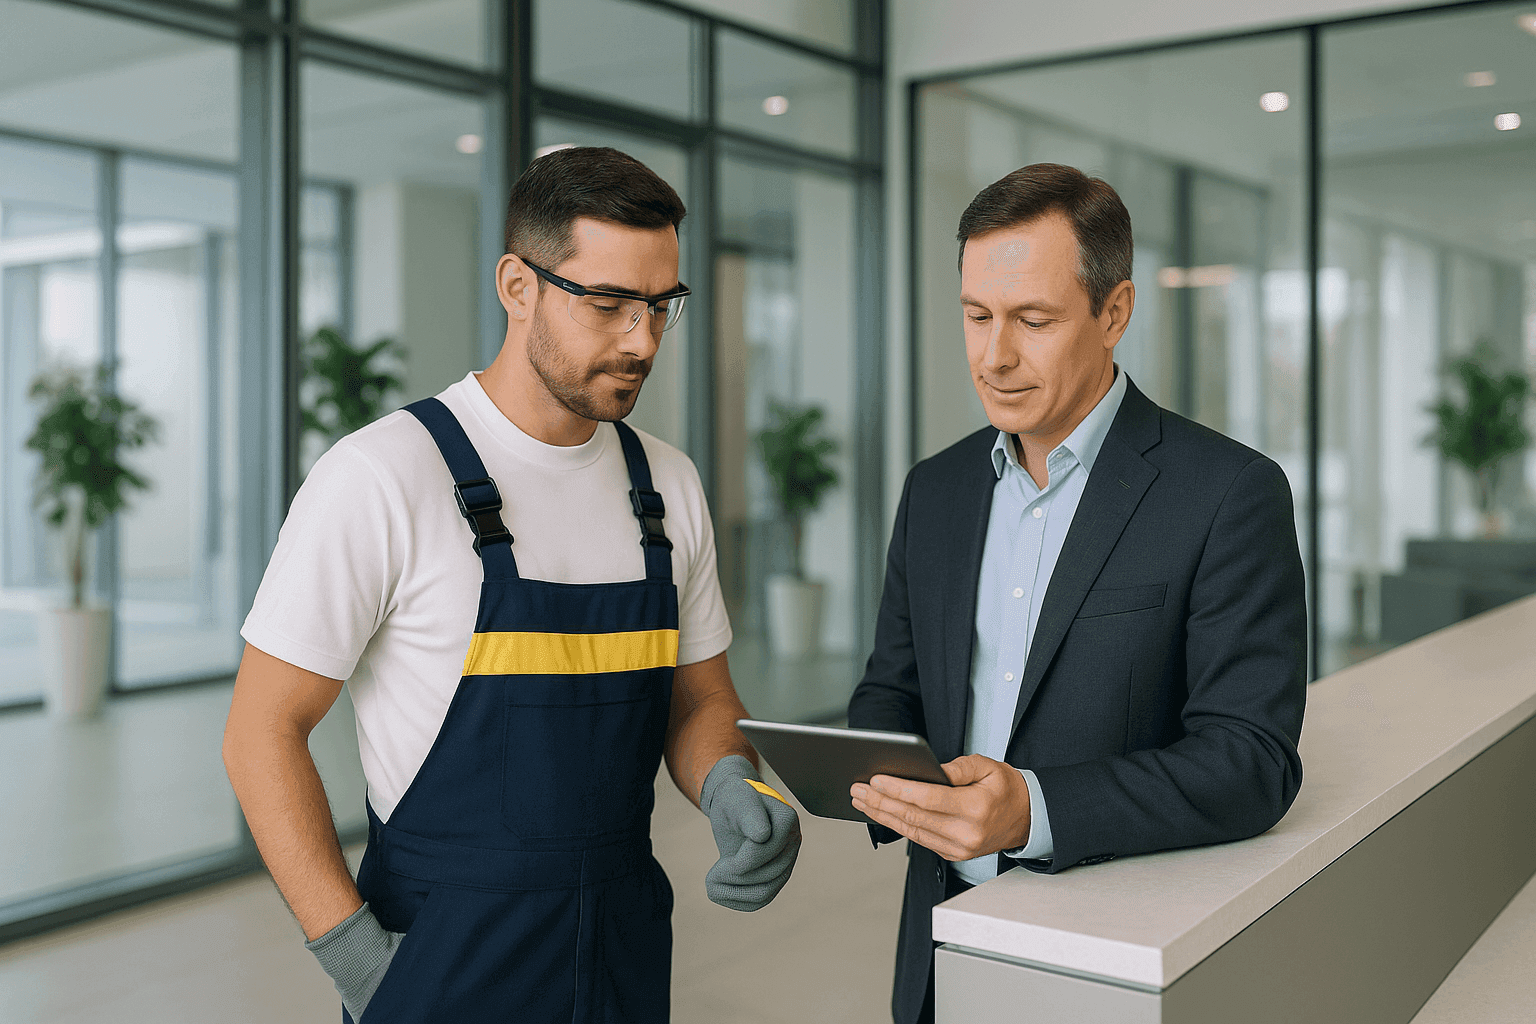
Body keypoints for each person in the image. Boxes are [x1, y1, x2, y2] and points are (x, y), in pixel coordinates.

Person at [222, 146, 801, 1024]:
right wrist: (360, 965)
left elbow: (701, 699)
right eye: (608, 304)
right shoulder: (383, 475)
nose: (642, 339)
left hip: (622, 953)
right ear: (517, 285)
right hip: (435, 963)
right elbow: (262, 732)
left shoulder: (668, 485)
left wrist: (731, 782)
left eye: (660, 305)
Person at [847, 163, 1306, 1024]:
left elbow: (1252, 761)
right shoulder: (936, 489)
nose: (995, 356)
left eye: (1033, 320)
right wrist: (869, 776)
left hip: (1115, 954)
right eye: (976, 316)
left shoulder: (1227, 494)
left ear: (1115, 312)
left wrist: (1035, 810)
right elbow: (892, 688)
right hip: (941, 943)